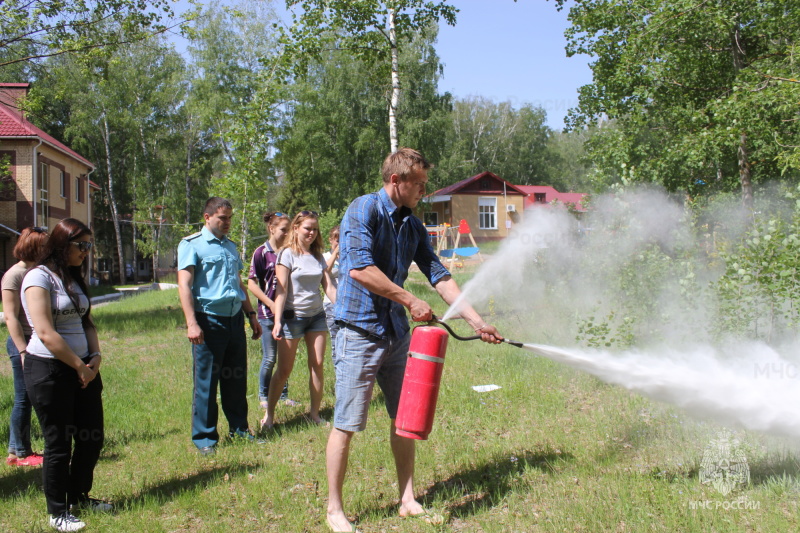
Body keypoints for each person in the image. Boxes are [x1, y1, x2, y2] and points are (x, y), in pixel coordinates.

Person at [325, 148, 503, 533]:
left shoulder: (413, 225)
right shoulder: (363, 210)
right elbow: (358, 269)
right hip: (359, 330)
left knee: (403, 419)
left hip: (396, 334)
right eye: (419, 184)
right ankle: (334, 510)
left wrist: (477, 321)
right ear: (397, 182)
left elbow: (438, 273)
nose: (424, 190)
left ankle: (407, 499)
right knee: (347, 421)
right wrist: (409, 299)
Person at [21, 219, 110, 532]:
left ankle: (79, 497)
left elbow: (87, 322)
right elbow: (44, 331)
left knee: (92, 437)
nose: (86, 251)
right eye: (81, 245)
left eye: (89, 245)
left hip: (84, 366)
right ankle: (58, 511)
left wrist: (95, 357)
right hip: (50, 369)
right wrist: (78, 365)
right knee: (59, 444)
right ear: (62, 244)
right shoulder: (37, 278)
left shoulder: (72, 277)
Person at [177, 197, 262, 455]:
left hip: (235, 319)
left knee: (235, 380)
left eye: (230, 218)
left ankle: (239, 430)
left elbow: (238, 283)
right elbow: (184, 286)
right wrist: (192, 323)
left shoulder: (230, 247)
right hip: (208, 320)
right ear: (207, 217)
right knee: (207, 381)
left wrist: (251, 314)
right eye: (222, 218)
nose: (227, 223)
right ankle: (205, 439)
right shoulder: (192, 245)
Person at [261, 211, 336, 430]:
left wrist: (340, 307)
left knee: (318, 365)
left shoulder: (317, 255)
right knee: (284, 369)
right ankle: (270, 415)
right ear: (296, 228)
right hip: (292, 318)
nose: (312, 233)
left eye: (315, 229)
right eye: (307, 228)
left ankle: (314, 414)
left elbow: (328, 286)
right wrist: (277, 321)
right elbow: (281, 291)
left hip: (317, 318)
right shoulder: (286, 254)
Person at [3, 226, 48, 468]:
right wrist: (22, 350)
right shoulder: (14, 275)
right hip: (23, 343)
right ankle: (19, 451)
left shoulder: (38, 272)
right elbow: (10, 317)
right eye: (43, 246)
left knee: (32, 397)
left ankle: (18, 449)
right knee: (23, 398)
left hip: (38, 341)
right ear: (33, 247)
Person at [247, 211, 299, 414]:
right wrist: (269, 303)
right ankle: (263, 395)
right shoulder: (261, 252)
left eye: (290, 230)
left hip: (288, 314)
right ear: (272, 229)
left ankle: (282, 396)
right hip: (267, 315)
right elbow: (251, 284)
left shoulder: (290, 252)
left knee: (285, 360)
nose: (287, 234)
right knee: (270, 358)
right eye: (283, 230)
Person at [322, 225, 341, 361]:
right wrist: (335, 254)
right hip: (331, 304)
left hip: (348, 303)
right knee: (336, 341)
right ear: (331, 240)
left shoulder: (348, 257)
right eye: (337, 240)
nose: (340, 244)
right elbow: (324, 272)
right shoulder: (325, 256)